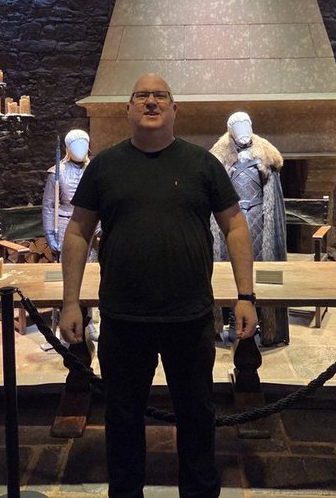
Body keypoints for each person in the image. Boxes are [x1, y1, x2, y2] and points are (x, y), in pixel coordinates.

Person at [59, 73, 258, 498]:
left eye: (160, 96)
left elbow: (235, 227)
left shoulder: (202, 164)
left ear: (174, 108)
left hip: (189, 316)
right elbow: (77, 231)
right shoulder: (105, 166)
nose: (151, 102)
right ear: (129, 108)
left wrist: (245, 296)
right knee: (122, 419)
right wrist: (70, 301)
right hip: (123, 317)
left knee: (197, 417)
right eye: (142, 96)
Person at [210, 111, 289, 345]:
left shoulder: (266, 155)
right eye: (238, 126)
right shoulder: (218, 158)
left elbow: (272, 197)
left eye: (246, 125)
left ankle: (267, 323)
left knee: (263, 269)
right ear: (229, 130)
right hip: (230, 220)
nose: (243, 131)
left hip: (259, 219)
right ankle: (231, 317)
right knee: (229, 267)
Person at [41, 129, 99, 344]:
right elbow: (49, 205)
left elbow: (99, 201)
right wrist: (50, 233)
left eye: (84, 144)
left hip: (90, 225)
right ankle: (62, 322)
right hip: (65, 222)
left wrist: (100, 226)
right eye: (76, 145)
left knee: (89, 277)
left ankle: (89, 321)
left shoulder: (94, 170)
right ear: (67, 148)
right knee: (66, 278)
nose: (80, 149)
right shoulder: (56, 172)